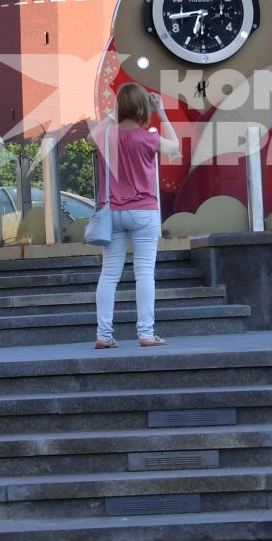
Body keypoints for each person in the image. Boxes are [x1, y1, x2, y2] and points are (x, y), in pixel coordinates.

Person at [91, 81, 180, 349]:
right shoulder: (149, 137)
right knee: (144, 274)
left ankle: (104, 335)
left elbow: (91, 135)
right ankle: (146, 333)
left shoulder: (107, 136)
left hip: (113, 212)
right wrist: (162, 112)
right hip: (144, 212)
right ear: (142, 108)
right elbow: (174, 144)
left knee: (109, 275)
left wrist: (111, 112)